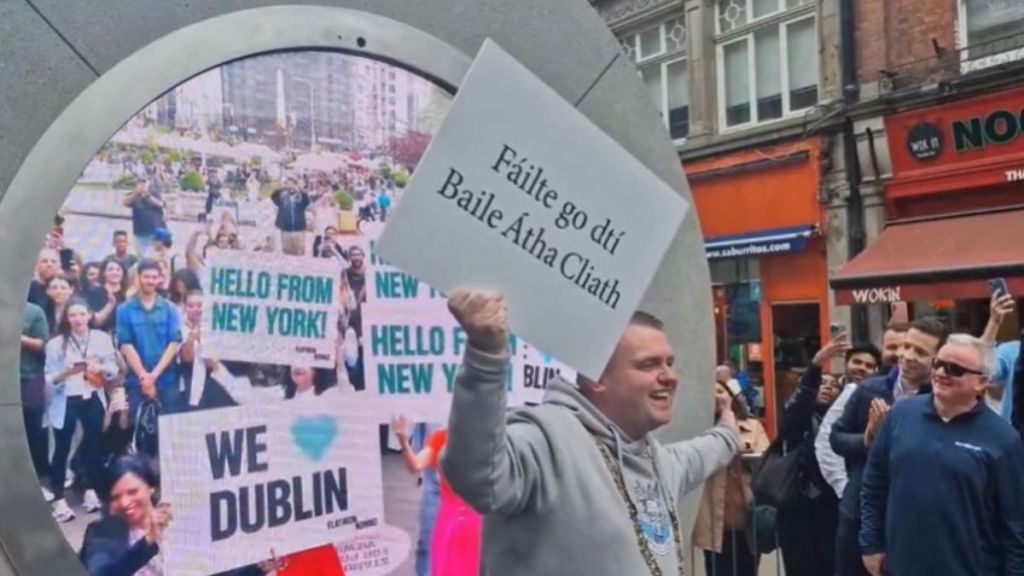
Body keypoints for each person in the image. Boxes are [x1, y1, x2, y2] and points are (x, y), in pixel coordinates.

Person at [440, 289, 739, 575]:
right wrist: (485, 356)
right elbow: (479, 476)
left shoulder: (657, 460)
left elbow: (705, 451)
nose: (669, 377)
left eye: (669, 363)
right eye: (648, 365)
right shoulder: (547, 440)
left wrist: (728, 428)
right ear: (596, 378)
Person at [860, 334, 1024, 576]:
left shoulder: (1003, 439)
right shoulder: (900, 415)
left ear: (981, 382)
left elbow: (1015, 523)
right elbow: (874, 484)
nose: (941, 373)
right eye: (938, 363)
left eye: (955, 369)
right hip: (902, 567)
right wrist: (871, 545)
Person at [829, 317, 946, 576]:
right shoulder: (870, 388)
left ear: (937, 360)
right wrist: (868, 437)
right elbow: (836, 438)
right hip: (858, 513)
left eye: (921, 352)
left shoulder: (939, 399)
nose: (908, 356)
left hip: (910, 518)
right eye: (907, 347)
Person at [774, 336, 845, 576]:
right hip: (800, 509)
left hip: (832, 507)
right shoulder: (800, 417)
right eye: (821, 383)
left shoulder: (842, 420)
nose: (827, 387)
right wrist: (815, 366)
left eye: (833, 384)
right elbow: (798, 406)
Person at [45, 298, 119, 522]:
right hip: (67, 398)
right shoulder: (56, 344)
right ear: (67, 318)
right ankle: (59, 498)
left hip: (92, 395)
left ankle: (90, 489)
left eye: (81, 314)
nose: (78, 319)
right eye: (73, 315)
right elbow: (49, 378)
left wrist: (101, 367)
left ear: (89, 315)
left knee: (93, 445)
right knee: (62, 447)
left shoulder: (101, 338)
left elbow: (113, 370)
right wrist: (66, 373)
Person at [693, 381, 770, 576]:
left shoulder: (753, 426)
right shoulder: (701, 429)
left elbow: (766, 459)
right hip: (715, 519)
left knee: (748, 570)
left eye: (720, 391)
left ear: (731, 396)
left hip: (748, 517)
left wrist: (741, 447)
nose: (716, 396)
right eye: (711, 393)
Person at [393, 416, 480, 576]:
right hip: (446, 511)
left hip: (474, 515)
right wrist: (403, 440)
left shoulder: (484, 440)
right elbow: (416, 465)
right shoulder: (441, 437)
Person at [79, 456, 174, 576]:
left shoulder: (174, 520)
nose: (124, 503)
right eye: (115, 497)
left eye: (132, 492)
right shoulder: (101, 534)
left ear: (151, 487)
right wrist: (148, 542)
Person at [814, 341, 882, 499]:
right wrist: (842, 487)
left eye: (868, 366)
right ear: (846, 363)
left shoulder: (871, 392)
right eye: (857, 362)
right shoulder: (846, 391)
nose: (861, 368)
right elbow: (826, 441)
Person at [116, 259, 183, 417]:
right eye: (146, 277)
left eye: (154, 277)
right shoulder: (124, 310)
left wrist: (153, 376)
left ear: (159, 279)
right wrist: (144, 377)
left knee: (168, 429)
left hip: (167, 379)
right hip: (136, 380)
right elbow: (126, 344)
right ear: (138, 278)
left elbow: (174, 343)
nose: (150, 281)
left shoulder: (170, 309)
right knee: (138, 428)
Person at [21, 301, 51, 501]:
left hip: (28, 377)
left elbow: (42, 343)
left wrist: (15, 335)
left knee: (33, 432)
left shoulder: (32, 311)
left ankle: (39, 483)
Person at [122, 176, 166, 257]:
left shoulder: (154, 192)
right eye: (139, 182)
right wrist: (136, 193)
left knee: (157, 256)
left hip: (156, 231)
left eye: (144, 182)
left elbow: (161, 204)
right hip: (140, 232)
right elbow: (125, 202)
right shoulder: (133, 195)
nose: (142, 184)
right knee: (142, 257)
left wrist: (147, 195)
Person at [271, 176, 311, 256]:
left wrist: (300, 189)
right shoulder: (282, 198)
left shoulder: (301, 198)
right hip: (286, 231)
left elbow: (307, 200)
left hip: (299, 230)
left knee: (299, 253)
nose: (291, 187)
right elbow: (273, 196)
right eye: (289, 185)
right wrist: (282, 188)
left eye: (293, 184)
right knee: (287, 254)